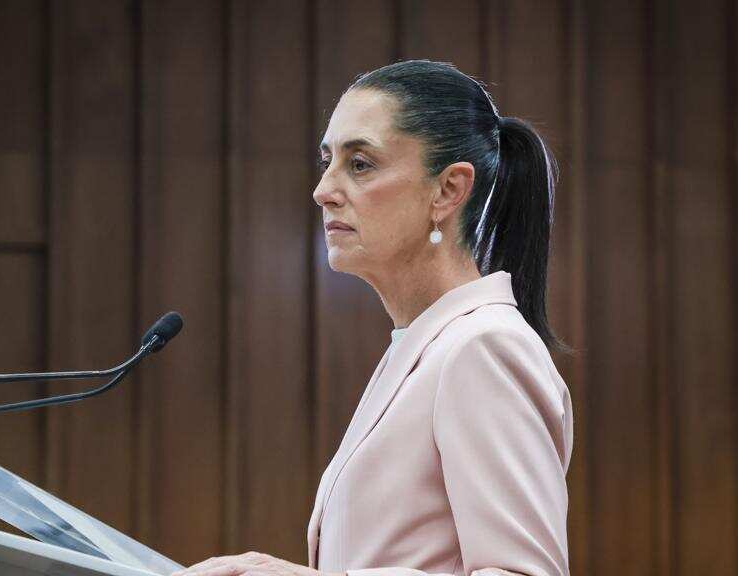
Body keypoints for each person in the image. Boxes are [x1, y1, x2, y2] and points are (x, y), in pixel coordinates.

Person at [175, 60, 573, 576]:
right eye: (327, 160)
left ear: (449, 190)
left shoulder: (484, 347)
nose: (324, 189)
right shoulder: (427, 346)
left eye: (359, 163)